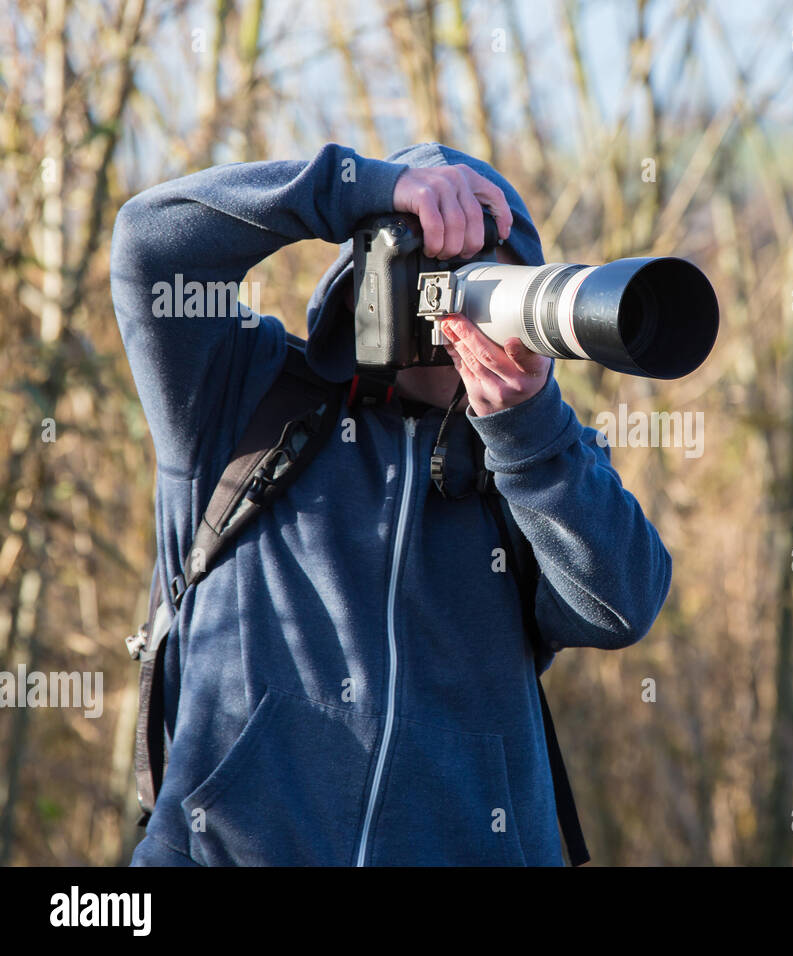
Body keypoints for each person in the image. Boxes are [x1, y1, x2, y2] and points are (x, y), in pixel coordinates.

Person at [110, 142, 672, 866]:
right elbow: (150, 244)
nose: (451, 299)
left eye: (484, 275)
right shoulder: (239, 392)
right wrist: (365, 189)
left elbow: (622, 607)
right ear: (361, 281)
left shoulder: (540, 455)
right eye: (428, 266)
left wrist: (524, 429)